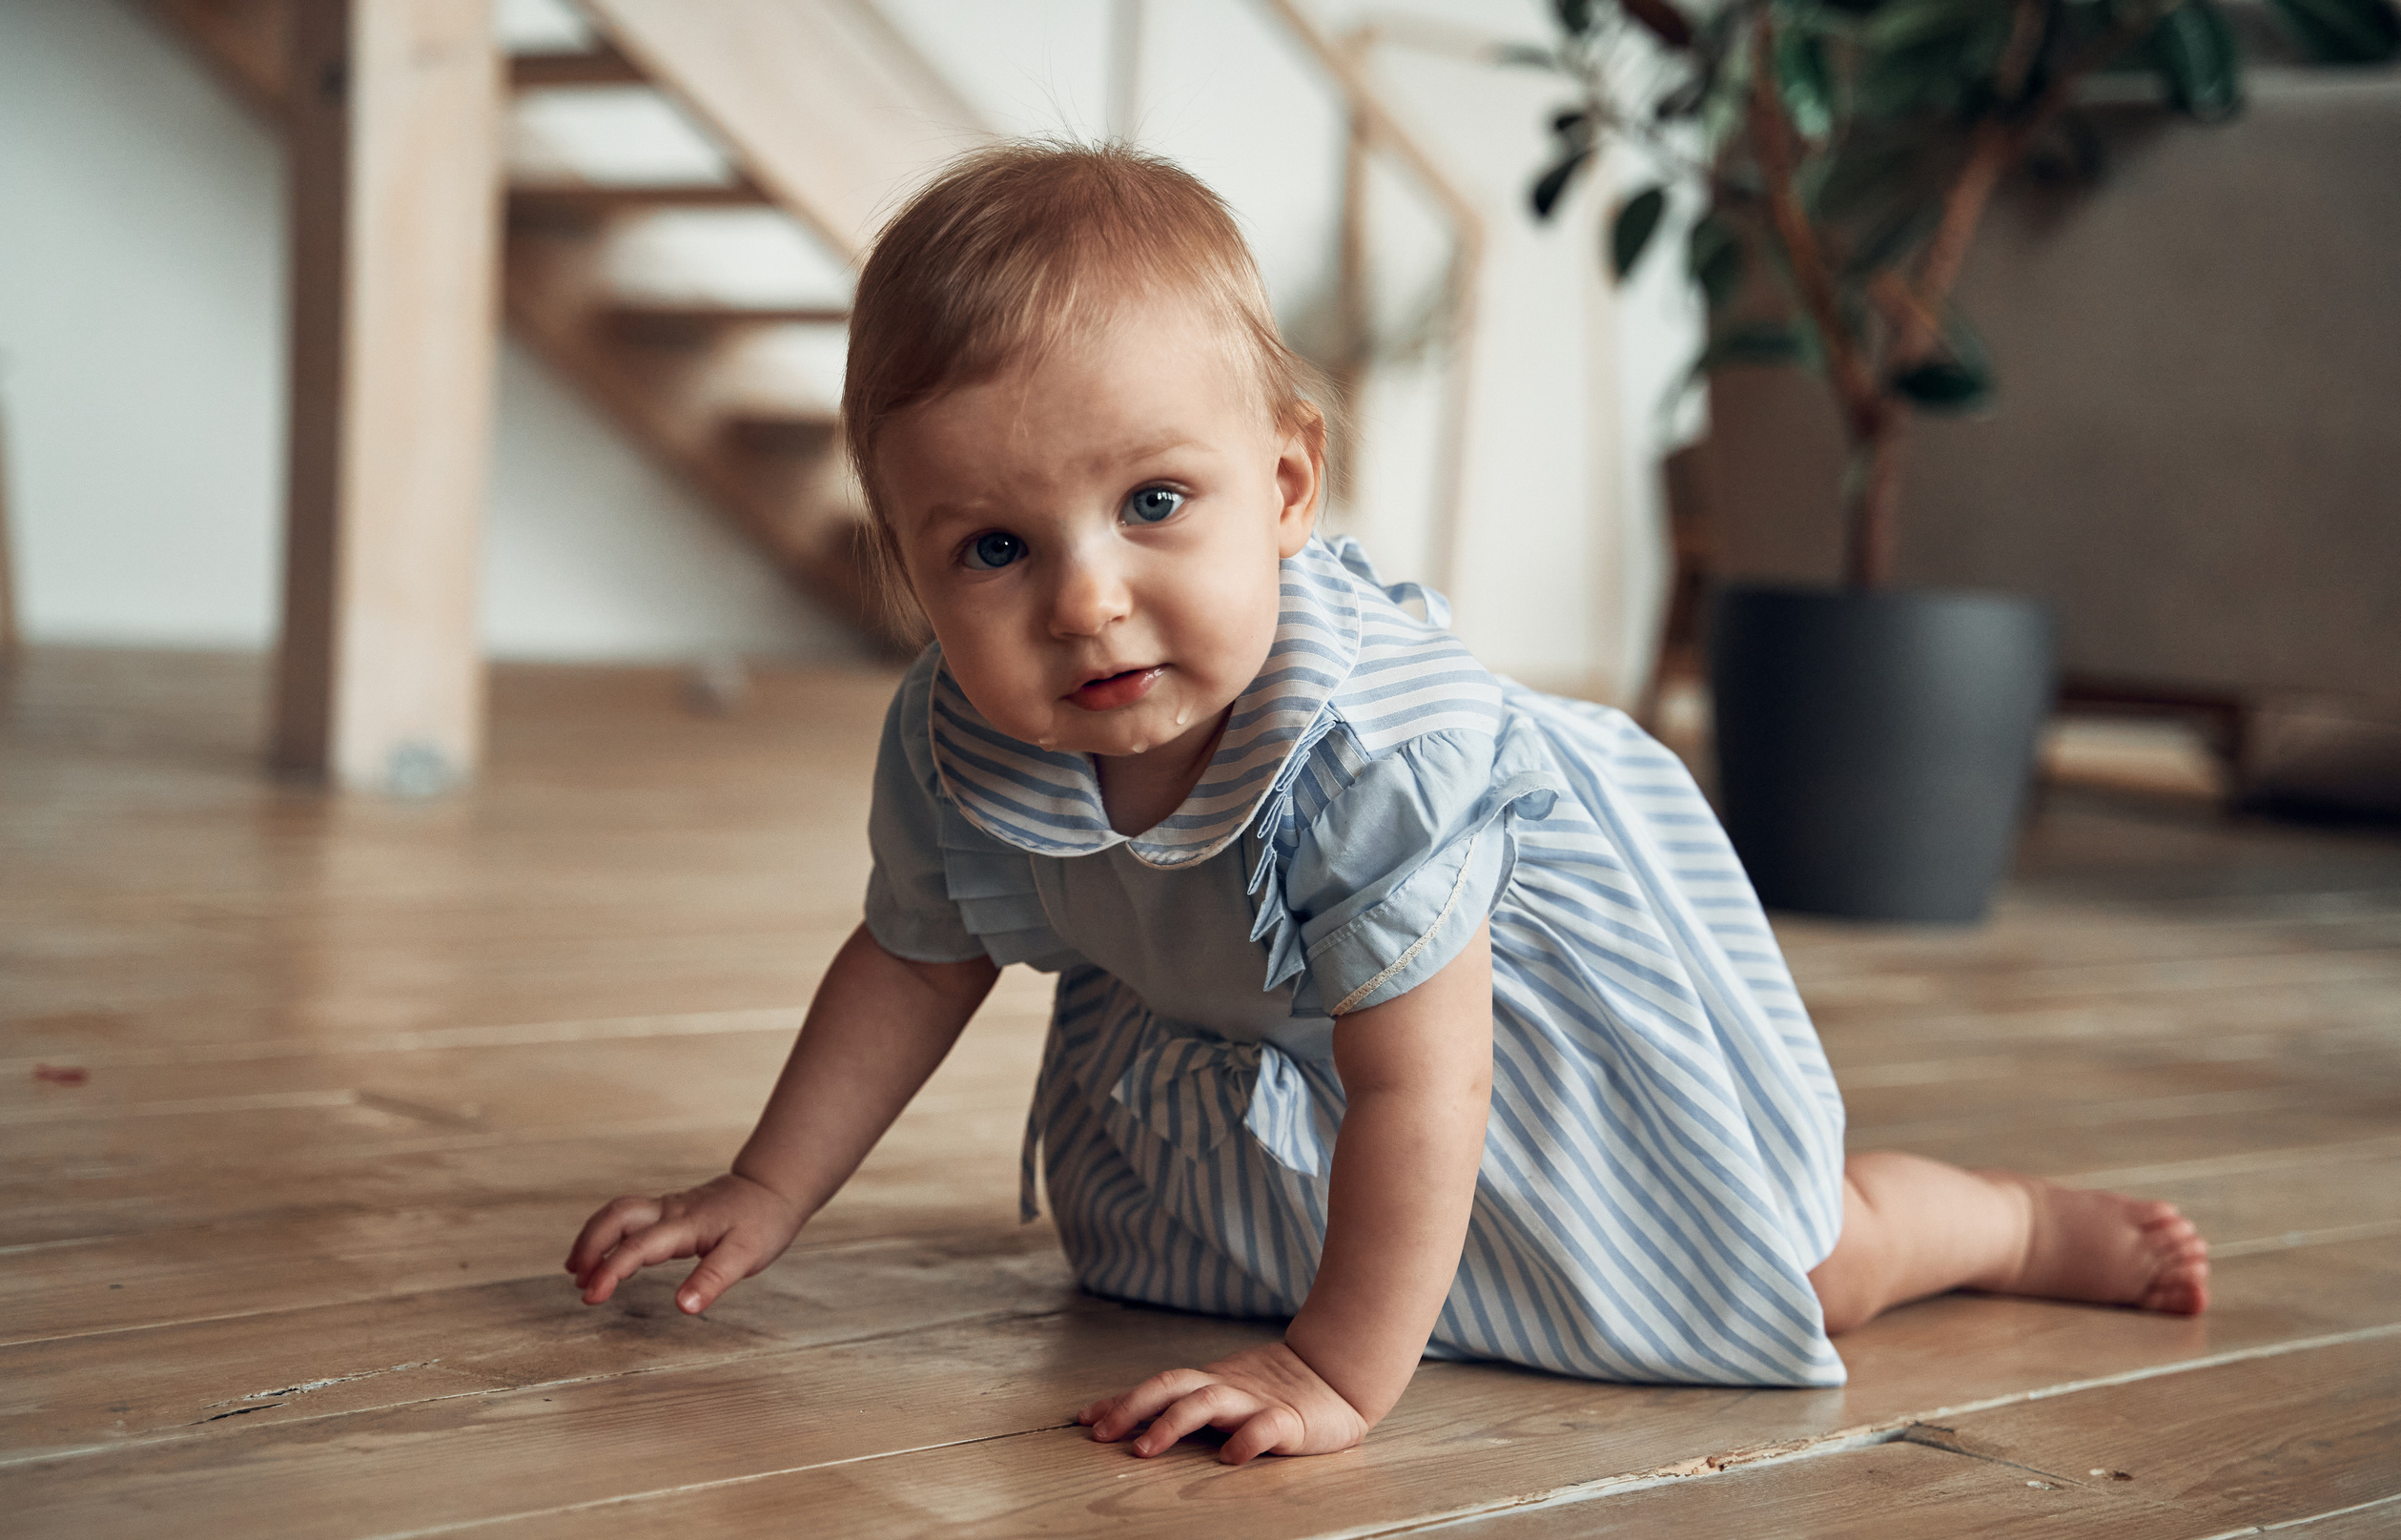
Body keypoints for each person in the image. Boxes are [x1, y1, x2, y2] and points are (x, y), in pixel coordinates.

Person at [564, 141, 2209, 1466]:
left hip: (1506, 1028)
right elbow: (914, 961)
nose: (1087, 601)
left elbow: (1424, 1086)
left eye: (1154, 503)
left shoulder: (1367, 756)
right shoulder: (956, 741)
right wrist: (764, 1188)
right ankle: (1362, 1279)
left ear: (1285, 485)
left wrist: (1334, 1376)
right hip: (1266, 1035)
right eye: (992, 548)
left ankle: (1993, 1221)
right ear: (911, 569)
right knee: (1192, 1259)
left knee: (1793, 1271)